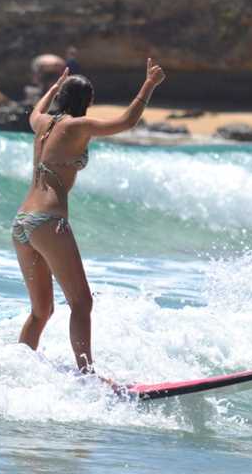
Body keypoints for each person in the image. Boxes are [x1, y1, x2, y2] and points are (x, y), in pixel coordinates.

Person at [12, 58, 166, 372]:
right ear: (89, 102)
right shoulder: (77, 126)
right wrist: (148, 85)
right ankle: (87, 375)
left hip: (21, 223)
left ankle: (18, 370)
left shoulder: (43, 124)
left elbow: (35, 112)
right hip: (47, 221)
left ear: (60, 98)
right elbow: (126, 122)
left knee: (41, 312)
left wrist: (53, 88)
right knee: (81, 304)